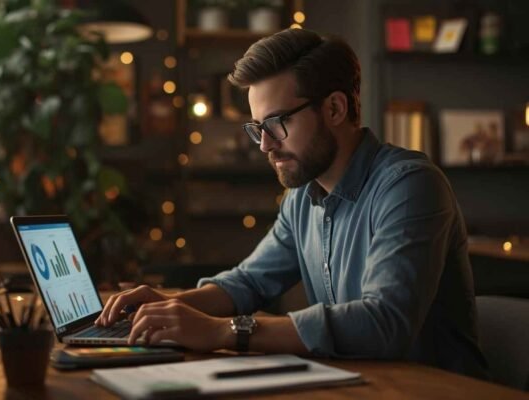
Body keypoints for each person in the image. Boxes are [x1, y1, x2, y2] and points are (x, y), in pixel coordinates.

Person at [96, 28, 488, 379]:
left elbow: (384, 322)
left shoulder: (409, 185)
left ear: (334, 108)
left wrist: (220, 331)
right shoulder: (302, 197)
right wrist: (168, 304)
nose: (265, 144)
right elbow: (249, 282)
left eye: (277, 123)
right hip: (360, 385)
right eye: (256, 128)